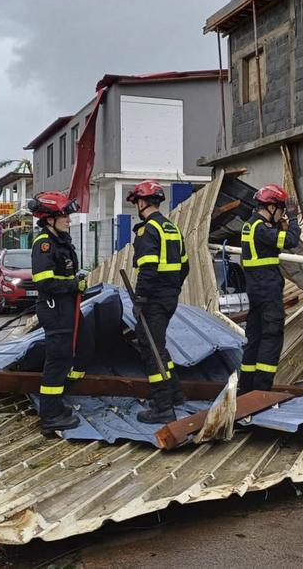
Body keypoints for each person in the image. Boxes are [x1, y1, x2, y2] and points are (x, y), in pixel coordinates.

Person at [127, 180, 190, 424]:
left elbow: (148, 268)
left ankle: (163, 407)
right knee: (159, 346)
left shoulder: (147, 230)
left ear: (142, 202)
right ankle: (175, 394)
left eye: (137, 202)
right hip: (169, 296)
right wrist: (172, 288)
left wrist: (141, 298)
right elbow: (185, 266)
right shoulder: (171, 228)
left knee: (150, 349)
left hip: (153, 299)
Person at [28, 191, 86, 433]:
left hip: (65, 307)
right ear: (50, 218)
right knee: (57, 360)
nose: (69, 220)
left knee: (64, 359)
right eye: (65, 216)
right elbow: (44, 282)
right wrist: (74, 285)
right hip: (55, 309)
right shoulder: (44, 244)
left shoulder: (60, 240)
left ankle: (56, 407)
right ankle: (50, 416)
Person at [238, 184, 300, 394]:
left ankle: (245, 389)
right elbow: (291, 241)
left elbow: (269, 246)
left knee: (254, 338)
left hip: (255, 291)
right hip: (268, 290)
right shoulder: (261, 228)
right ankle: (262, 392)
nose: (282, 213)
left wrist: (279, 226)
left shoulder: (251, 225)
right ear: (272, 207)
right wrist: (292, 219)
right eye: (281, 209)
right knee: (271, 338)